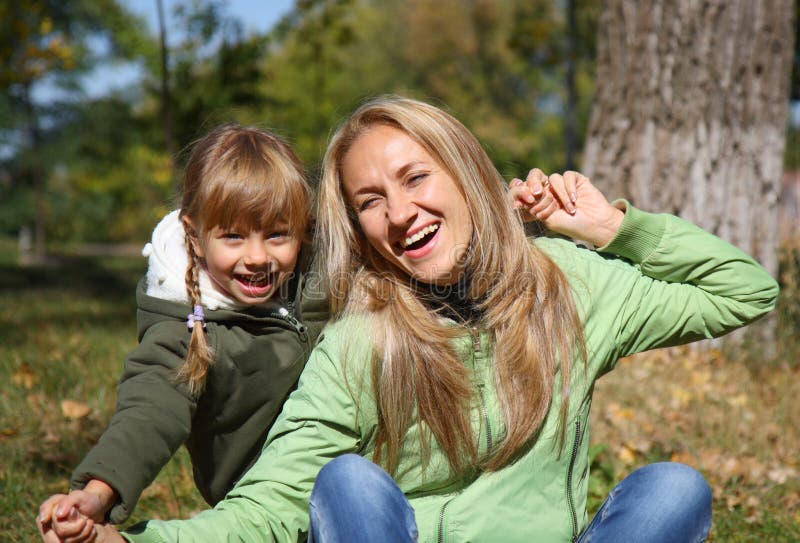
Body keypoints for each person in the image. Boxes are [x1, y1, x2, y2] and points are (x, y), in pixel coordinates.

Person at [52, 96, 778, 543]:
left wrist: (612, 229)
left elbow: (746, 291)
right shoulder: (361, 335)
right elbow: (272, 500)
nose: (399, 214)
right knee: (344, 484)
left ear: (463, 170)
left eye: (415, 177)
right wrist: (138, 539)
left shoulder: (570, 286)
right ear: (357, 226)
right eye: (370, 201)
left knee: (674, 491)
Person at [36, 123, 329, 541]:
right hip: (263, 503)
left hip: (339, 461)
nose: (258, 257)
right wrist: (101, 489)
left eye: (278, 233)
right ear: (194, 234)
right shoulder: (186, 325)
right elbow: (152, 407)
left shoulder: (317, 277)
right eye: (233, 236)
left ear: (302, 225)